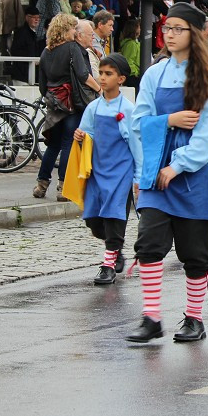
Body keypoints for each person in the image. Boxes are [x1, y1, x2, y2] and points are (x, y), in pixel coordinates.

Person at [126, 2, 208, 344]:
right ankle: (151, 317)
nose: (169, 34)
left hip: (194, 173)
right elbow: (138, 123)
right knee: (149, 242)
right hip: (156, 170)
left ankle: (194, 318)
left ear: (194, 34)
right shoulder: (154, 74)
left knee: (196, 251)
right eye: (166, 28)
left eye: (177, 29)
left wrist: (179, 164)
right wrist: (169, 122)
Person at [72, 54, 142, 285]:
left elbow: (136, 144)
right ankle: (116, 247)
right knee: (93, 220)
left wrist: (139, 177)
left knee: (114, 216)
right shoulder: (93, 107)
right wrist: (81, 137)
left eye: (108, 74)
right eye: (100, 73)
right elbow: (87, 132)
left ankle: (108, 265)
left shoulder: (129, 110)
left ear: (121, 79)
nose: (102, 78)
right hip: (97, 169)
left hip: (120, 171)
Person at [35, 13, 101, 200]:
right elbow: (82, 74)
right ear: (65, 30)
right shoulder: (72, 48)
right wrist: (99, 90)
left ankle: (41, 185)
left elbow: (42, 86)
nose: (75, 31)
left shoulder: (46, 52)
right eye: (73, 28)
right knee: (68, 145)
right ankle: (63, 187)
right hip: (72, 103)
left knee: (53, 145)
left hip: (54, 105)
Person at [9, 11, 45, 83]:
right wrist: (32, 58)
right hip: (21, 74)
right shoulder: (21, 33)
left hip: (29, 73)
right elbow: (15, 51)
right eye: (34, 17)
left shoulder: (32, 33)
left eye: (38, 18)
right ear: (27, 18)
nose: (37, 20)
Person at [118, 19, 142, 91]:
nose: (140, 29)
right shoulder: (131, 44)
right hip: (133, 76)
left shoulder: (132, 43)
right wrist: (135, 73)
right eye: (139, 27)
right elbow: (129, 60)